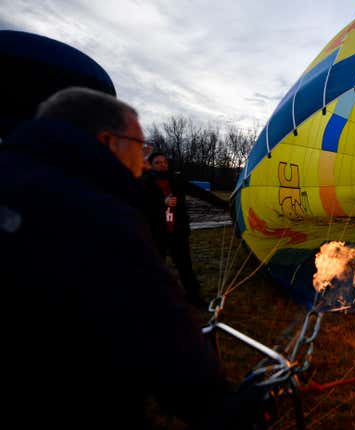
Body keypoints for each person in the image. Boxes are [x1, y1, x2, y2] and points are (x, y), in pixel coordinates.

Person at [0, 87, 261, 429]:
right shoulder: (96, 214)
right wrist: (230, 410)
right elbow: (160, 332)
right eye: (140, 146)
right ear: (108, 141)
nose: (143, 159)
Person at [141, 151, 228, 307]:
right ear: (151, 165)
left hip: (177, 232)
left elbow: (200, 193)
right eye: (158, 163)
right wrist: (163, 202)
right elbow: (140, 205)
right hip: (156, 234)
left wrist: (224, 205)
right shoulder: (144, 183)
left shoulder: (176, 180)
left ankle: (194, 297)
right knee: (154, 268)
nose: (162, 165)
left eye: (164, 162)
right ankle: (152, 300)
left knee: (185, 267)